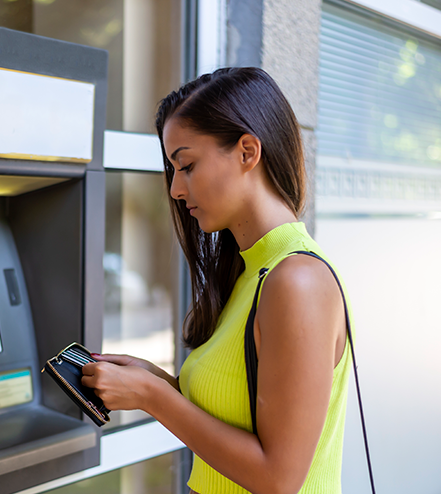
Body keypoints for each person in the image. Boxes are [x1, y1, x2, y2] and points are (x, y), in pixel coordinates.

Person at [81, 67, 353, 494]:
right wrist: (155, 382)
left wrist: (155, 398)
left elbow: (278, 478)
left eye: (186, 165)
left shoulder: (296, 281)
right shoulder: (251, 271)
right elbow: (238, 413)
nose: (174, 189)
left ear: (247, 151)